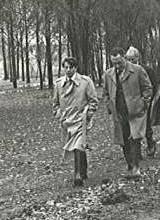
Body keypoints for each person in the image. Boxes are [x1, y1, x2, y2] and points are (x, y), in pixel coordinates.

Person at [104, 47, 153, 179]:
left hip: (135, 110)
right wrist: (109, 106)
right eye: (114, 63)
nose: (117, 65)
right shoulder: (108, 74)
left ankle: (136, 167)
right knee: (123, 139)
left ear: (124, 58)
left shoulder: (137, 70)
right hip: (119, 111)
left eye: (119, 62)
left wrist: (143, 104)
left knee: (135, 138)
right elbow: (106, 92)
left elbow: (148, 88)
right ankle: (130, 165)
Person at [52, 57, 98, 187]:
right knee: (77, 147)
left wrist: (88, 114)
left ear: (75, 68)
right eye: (65, 67)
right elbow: (55, 104)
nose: (68, 70)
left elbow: (93, 100)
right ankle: (83, 170)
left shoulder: (85, 82)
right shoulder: (59, 84)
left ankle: (77, 175)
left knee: (78, 145)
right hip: (67, 121)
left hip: (81, 120)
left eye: (70, 67)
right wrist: (59, 115)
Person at [125, 46, 158, 156]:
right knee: (133, 126)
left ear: (138, 58)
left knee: (147, 124)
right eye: (128, 59)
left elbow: (153, 86)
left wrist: (146, 100)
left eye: (133, 59)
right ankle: (137, 151)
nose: (131, 62)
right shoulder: (125, 71)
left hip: (144, 102)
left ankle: (150, 143)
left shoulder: (147, 69)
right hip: (131, 102)